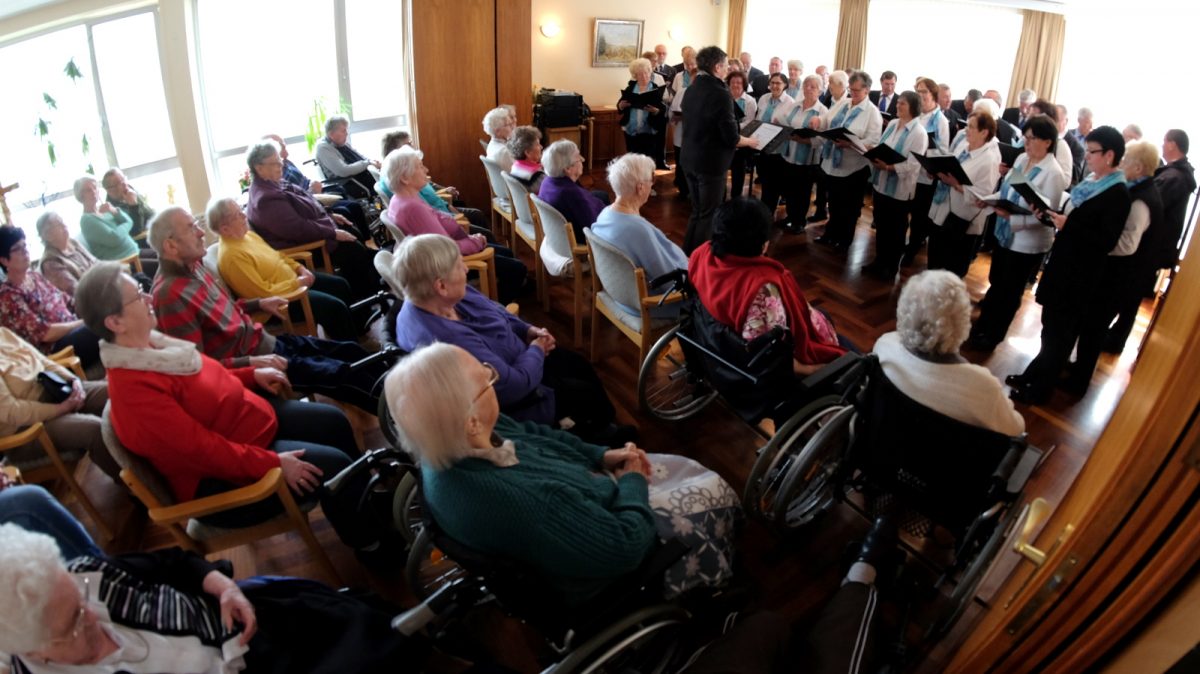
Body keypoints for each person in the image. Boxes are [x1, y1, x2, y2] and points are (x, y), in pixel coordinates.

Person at [385, 342, 741, 604]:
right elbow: (625, 546)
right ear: (471, 420)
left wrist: (602, 454)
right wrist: (631, 478)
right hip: (610, 550)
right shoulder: (526, 501)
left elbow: (538, 435)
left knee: (680, 468)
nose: (492, 377)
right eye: (486, 378)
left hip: (581, 501)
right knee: (713, 489)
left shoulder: (450, 441)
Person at [73, 262, 380, 554]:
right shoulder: (133, 390)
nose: (149, 297)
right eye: (138, 297)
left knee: (334, 422)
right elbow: (200, 451)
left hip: (245, 424)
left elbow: (209, 376)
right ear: (115, 322)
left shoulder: (153, 347)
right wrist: (271, 463)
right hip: (225, 481)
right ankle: (373, 544)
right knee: (336, 465)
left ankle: (363, 503)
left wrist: (250, 374)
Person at [0, 523, 417, 673]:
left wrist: (223, 585)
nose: (93, 612)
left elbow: (174, 563)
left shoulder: (86, 576)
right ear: (35, 651)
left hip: (248, 631)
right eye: (74, 621)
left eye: (81, 598)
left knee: (363, 620)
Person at [392, 234, 633, 446]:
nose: (466, 270)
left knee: (579, 364)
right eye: (458, 266)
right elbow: (512, 387)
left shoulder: (439, 297)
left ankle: (603, 425)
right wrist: (537, 349)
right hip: (519, 397)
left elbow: (496, 311)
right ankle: (598, 439)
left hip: (524, 357)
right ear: (441, 286)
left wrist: (527, 330)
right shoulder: (446, 341)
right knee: (584, 393)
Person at [150, 207, 387, 415]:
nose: (202, 233)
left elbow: (224, 309)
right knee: (343, 374)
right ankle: (399, 417)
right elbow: (198, 365)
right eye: (192, 228)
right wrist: (251, 361)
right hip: (255, 362)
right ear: (171, 245)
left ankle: (400, 391)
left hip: (264, 341)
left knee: (350, 350)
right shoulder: (169, 296)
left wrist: (257, 304)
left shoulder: (194, 266)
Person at [1008, 126, 1131, 405]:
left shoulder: (1118, 194)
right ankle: (1032, 375)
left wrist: (1069, 225)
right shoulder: (1092, 181)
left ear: (1110, 155)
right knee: (1050, 329)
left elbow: (1105, 241)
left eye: (1092, 152)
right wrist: (1050, 215)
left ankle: (1039, 390)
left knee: (1059, 336)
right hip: (1064, 265)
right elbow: (1075, 218)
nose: (1086, 157)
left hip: (1079, 276)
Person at [690, 198, 848, 378]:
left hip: (710, 334)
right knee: (844, 348)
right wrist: (811, 370)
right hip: (749, 363)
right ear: (764, 244)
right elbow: (769, 355)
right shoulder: (763, 289)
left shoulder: (702, 253)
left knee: (821, 316)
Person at [875, 271, 1025, 435]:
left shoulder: (885, 346)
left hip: (884, 442)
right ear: (962, 321)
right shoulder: (983, 387)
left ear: (903, 311)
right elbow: (1016, 429)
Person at [1066, 141, 1164, 394]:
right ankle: (1075, 372)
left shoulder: (1141, 201)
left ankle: (1078, 382)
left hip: (1119, 278)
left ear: (1139, 167)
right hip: (1116, 275)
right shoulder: (1137, 191)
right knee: (1090, 327)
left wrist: (1092, 241)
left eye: (1126, 160)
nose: (1120, 164)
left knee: (1094, 331)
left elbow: (1126, 245)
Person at [968, 115, 1068, 352]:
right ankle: (982, 326)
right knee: (996, 284)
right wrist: (988, 201)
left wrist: (1013, 218)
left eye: (1032, 138)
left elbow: (1045, 217)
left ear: (1047, 142)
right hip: (1006, 235)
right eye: (1026, 137)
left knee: (1009, 292)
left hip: (1027, 244)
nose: (1027, 142)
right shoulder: (1023, 159)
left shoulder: (1053, 173)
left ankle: (993, 335)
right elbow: (1007, 194)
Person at [383, 146, 528, 304]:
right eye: (419, 166)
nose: (426, 169)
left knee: (506, 253)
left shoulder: (403, 199)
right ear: (405, 178)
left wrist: (465, 233)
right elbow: (447, 250)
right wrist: (475, 241)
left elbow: (436, 218)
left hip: (441, 252)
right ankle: (496, 308)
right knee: (517, 268)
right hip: (444, 265)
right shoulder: (412, 207)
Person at [244, 139, 383, 300]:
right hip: (303, 247)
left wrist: (329, 215)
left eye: (280, 161)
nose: (281, 165)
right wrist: (331, 232)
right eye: (275, 163)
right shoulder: (266, 199)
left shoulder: (273, 183)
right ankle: (364, 301)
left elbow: (307, 202)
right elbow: (297, 229)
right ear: (259, 168)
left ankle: (370, 288)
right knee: (353, 249)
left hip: (311, 235)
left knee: (351, 229)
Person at [210, 197, 361, 343]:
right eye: (238, 214)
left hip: (294, 281)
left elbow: (278, 256)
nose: (244, 215)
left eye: (241, 209)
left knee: (340, 285)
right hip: (281, 304)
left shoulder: (248, 236)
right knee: (334, 308)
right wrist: (297, 283)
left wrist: (300, 268)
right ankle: (355, 355)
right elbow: (263, 294)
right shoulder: (232, 257)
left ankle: (359, 334)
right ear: (225, 228)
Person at [0, 326, 120, 482]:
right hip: (27, 428)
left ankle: (152, 456)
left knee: (117, 391)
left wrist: (74, 381)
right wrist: (62, 409)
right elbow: (13, 412)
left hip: (56, 390)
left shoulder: (3, 332)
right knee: (93, 429)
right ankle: (139, 490)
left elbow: (44, 362)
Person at [679, 45, 759, 253]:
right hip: (710, 164)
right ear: (716, 67)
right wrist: (750, 141)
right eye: (725, 66)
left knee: (697, 212)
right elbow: (731, 138)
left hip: (689, 159)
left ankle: (687, 257)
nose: (727, 70)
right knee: (709, 215)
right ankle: (700, 264)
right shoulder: (721, 94)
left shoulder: (692, 88)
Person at [591, 153, 689, 316]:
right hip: (653, 304)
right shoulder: (638, 230)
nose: (652, 184)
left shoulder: (605, 213)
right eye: (652, 180)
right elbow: (671, 282)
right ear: (640, 187)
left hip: (620, 296)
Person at [0, 226, 101, 370]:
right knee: (101, 324)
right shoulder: (8, 296)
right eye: (17, 248)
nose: (25, 251)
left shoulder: (35, 277)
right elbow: (45, 333)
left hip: (75, 330)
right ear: (4, 260)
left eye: (25, 245)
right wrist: (81, 323)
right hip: (57, 350)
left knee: (108, 307)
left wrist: (95, 308)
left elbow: (69, 301)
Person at [862, 90, 929, 279]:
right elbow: (884, 146)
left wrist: (889, 167)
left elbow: (913, 164)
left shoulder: (919, 133)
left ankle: (891, 267)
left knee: (896, 231)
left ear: (914, 108)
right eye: (898, 102)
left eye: (903, 104)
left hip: (900, 189)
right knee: (881, 226)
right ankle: (879, 261)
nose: (898, 106)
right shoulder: (892, 124)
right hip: (881, 183)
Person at [926, 111, 1002, 277]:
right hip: (944, 209)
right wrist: (936, 171)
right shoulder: (962, 146)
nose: (966, 130)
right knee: (934, 259)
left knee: (953, 268)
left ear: (984, 132)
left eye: (971, 127)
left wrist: (956, 185)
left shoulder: (989, 160)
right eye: (967, 125)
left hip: (963, 220)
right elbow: (950, 166)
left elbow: (984, 196)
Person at [816, 71, 884, 250]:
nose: (852, 94)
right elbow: (827, 118)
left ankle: (844, 240)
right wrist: (818, 121)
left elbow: (873, 142)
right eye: (851, 90)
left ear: (867, 90)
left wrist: (852, 143)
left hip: (854, 167)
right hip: (833, 163)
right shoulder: (844, 103)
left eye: (856, 91)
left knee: (849, 207)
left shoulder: (872, 113)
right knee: (835, 202)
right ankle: (830, 233)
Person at [264, 133, 372, 244]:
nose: (284, 148)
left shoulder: (287, 163)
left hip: (312, 197)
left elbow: (301, 184)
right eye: (281, 146)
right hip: (312, 199)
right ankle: (364, 242)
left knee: (347, 201)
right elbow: (297, 206)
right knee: (348, 209)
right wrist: (312, 192)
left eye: (284, 145)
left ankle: (365, 242)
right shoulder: (275, 181)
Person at [902, 78, 951, 265]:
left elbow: (943, 151)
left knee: (919, 217)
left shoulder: (941, 121)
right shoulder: (915, 115)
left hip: (925, 175)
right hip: (908, 170)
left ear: (933, 95)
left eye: (924, 92)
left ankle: (912, 250)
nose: (920, 96)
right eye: (918, 91)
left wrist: (928, 157)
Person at [73, 175, 158, 276]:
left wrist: (113, 211)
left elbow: (129, 220)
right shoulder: (87, 220)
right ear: (80, 196)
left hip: (135, 252)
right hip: (124, 263)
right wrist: (125, 225)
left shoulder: (105, 210)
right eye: (88, 190)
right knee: (167, 265)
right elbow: (115, 238)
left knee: (169, 256)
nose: (94, 192)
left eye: (95, 187)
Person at [776, 74, 827, 234]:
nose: (808, 89)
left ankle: (799, 221)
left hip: (808, 159)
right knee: (789, 189)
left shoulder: (822, 111)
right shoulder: (795, 105)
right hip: (789, 153)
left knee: (803, 192)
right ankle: (790, 217)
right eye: (806, 85)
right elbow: (786, 122)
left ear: (820, 91)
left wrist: (804, 141)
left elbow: (823, 139)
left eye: (813, 87)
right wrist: (782, 127)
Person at [538, 139, 607, 242]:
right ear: (567, 168)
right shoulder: (571, 194)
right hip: (582, 239)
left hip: (563, 227)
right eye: (578, 158)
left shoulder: (547, 181)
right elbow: (593, 227)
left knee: (602, 195)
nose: (582, 160)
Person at [754, 72, 796, 224]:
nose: (774, 86)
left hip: (778, 149)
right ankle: (764, 213)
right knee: (765, 181)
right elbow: (758, 119)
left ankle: (768, 214)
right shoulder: (764, 99)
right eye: (772, 83)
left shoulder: (790, 103)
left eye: (778, 83)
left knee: (774, 185)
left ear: (785, 85)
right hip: (762, 146)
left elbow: (791, 127)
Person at [313, 114, 379, 199]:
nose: (347, 133)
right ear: (331, 134)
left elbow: (360, 157)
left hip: (362, 177)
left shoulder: (340, 143)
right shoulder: (323, 148)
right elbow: (343, 171)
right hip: (351, 183)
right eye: (343, 131)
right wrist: (368, 163)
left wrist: (372, 162)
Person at [35, 211, 99, 296]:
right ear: (47, 235)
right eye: (58, 224)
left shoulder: (72, 243)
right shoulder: (51, 263)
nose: (64, 225)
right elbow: (77, 292)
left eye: (62, 221)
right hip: (90, 300)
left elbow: (96, 262)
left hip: (101, 288)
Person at [619, 58, 667, 160]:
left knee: (647, 160)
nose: (644, 76)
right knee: (633, 159)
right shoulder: (630, 88)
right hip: (631, 130)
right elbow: (620, 104)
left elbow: (662, 109)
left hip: (649, 130)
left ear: (650, 72)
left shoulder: (656, 89)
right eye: (640, 74)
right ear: (635, 75)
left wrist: (656, 111)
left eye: (646, 73)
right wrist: (621, 105)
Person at [100, 168, 154, 249]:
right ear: (109, 190)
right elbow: (135, 231)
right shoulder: (111, 211)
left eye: (124, 179)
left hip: (154, 230)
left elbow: (149, 213)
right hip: (142, 244)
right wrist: (133, 205)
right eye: (119, 183)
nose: (125, 184)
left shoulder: (129, 191)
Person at [726, 70, 759, 199]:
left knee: (738, 170)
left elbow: (750, 122)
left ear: (744, 84)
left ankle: (736, 198)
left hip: (743, 140)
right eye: (733, 82)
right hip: (726, 140)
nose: (736, 85)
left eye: (739, 82)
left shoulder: (750, 101)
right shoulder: (725, 98)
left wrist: (732, 128)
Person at [507, 125, 547, 193]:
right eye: (537, 144)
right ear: (528, 152)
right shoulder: (538, 177)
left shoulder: (515, 165)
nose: (541, 147)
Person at [1055, 105, 1085, 185]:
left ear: (1066, 121)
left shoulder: (1077, 148)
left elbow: (1075, 177)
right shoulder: (1044, 138)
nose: (1052, 122)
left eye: (1056, 120)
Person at [483, 106, 516, 173]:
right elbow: (519, 174)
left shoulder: (492, 145)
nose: (512, 127)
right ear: (498, 131)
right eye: (508, 125)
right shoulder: (504, 152)